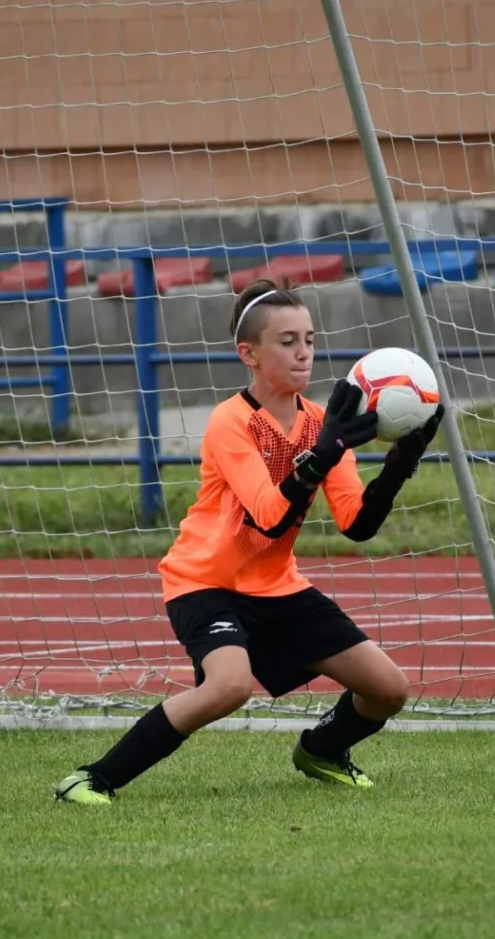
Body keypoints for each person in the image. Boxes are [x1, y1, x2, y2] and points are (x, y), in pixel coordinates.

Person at [55, 279, 445, 804]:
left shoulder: (321, 424)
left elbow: (357, 524)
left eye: (309, 339)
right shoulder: (230, 422)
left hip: (277, 586)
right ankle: (92, 778)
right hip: (205, 583)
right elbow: (268, 516)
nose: (304, 352)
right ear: (250, 354)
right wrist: (322, 455)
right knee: (229, 686)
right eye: (287, 341)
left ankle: (321, 750)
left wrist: (399, 465)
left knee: (389, 689)